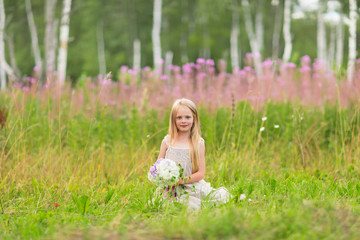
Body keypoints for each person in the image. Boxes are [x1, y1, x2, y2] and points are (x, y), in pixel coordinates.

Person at [156, 98, 230, 210]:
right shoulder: (167, 142)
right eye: (179, 117)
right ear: (173, 120)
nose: (183, 121)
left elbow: (200, 173)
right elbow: (158, 166)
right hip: (170, 188)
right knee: (167, 205)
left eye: (187, 117)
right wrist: (163, 178)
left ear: (194, 119)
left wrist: (180, 181)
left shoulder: (198, 143)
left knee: (191, 204)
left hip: (191, 186)